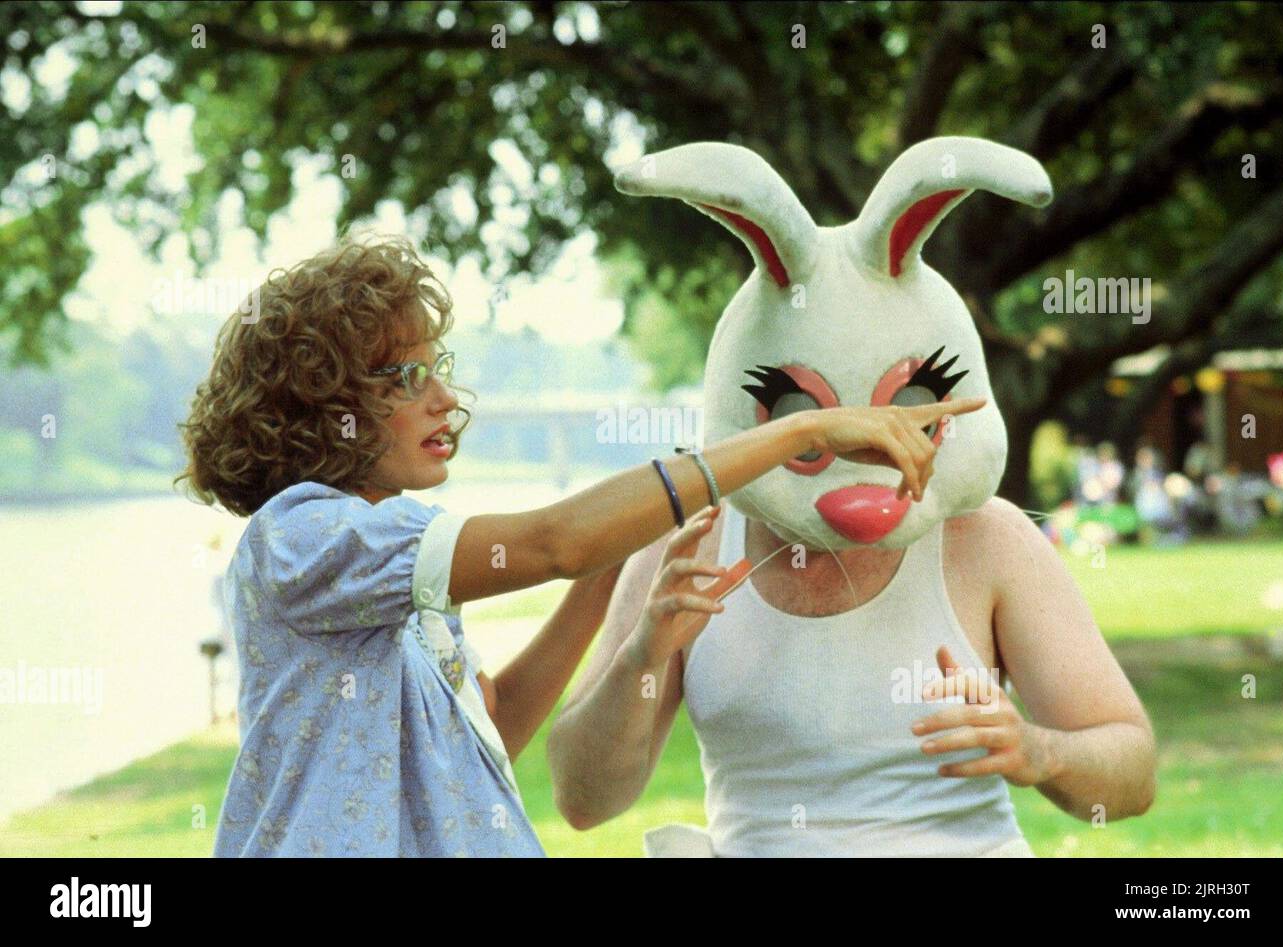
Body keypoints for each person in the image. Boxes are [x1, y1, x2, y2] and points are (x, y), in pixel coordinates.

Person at [178, 234, 979, 857]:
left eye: (437, 367)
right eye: (404, 376)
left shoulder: (395, 564)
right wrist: (795, 430)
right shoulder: (306, 536)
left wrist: (617, 600)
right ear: (320, 406)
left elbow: (494, 725)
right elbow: (555, 540)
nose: (444, 397)